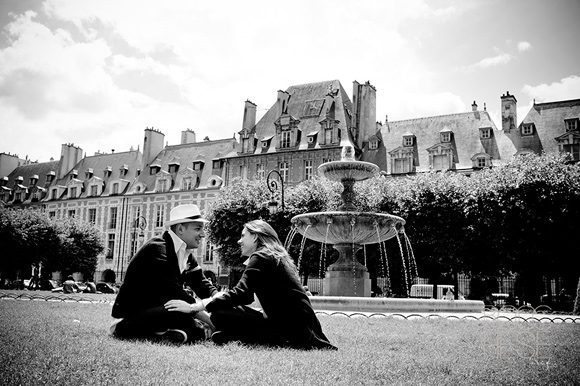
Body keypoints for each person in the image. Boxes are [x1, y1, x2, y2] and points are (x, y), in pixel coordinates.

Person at [182, 219, 337, 350]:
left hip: (291, 332)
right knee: (229, 311)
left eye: (243, 236)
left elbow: (241, 294)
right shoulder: (273, 255)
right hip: (302, 329)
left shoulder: (261, 256)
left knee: (221, 313)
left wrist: (197, 306)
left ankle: (254, 337)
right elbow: (246, 295)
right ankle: (233, 336)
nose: (239, 240)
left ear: (255, 237)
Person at [110, 204, 218, 344]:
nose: (203, 234)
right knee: (180, 313)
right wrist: (211, 320)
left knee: (185, 316)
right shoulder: (157, 248)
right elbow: (173, 292)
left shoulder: (185, 253)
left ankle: (172, 334)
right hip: (131, 314)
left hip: (158, 311)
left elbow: (202, 285)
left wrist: (221, 303)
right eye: (198, 229)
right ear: (180, 229)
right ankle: (122, 329)